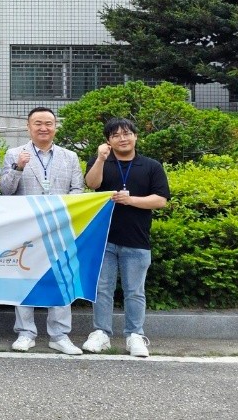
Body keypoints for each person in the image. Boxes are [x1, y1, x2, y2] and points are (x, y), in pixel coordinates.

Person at [0, 106, 85, 355]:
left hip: (59, 228)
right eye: (38, 123)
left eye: (48, 123)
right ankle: (25, 333)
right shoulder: (15, 154)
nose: (43, 128)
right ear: (28, 127)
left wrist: (62, 211)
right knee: (24, 278)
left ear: (55, 127)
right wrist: (18, 167)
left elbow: (78, 190)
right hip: (26, 229)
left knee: (61, 279)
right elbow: (5, 190)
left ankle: (59, 335)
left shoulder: (69, 157)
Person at [82, 117, 170, 358]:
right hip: (102, 239)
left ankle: (135, 335)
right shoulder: (100, 161)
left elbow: (160, 200)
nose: (122, 138)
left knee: (135, 291)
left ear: (135, 136)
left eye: (127, 133)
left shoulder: (151, 166)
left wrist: (130, 200)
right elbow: (92, 184)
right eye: (116, 135)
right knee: (102, 289)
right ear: (108, 141)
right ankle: (101, 333)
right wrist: (100, 158)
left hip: (137, 239)